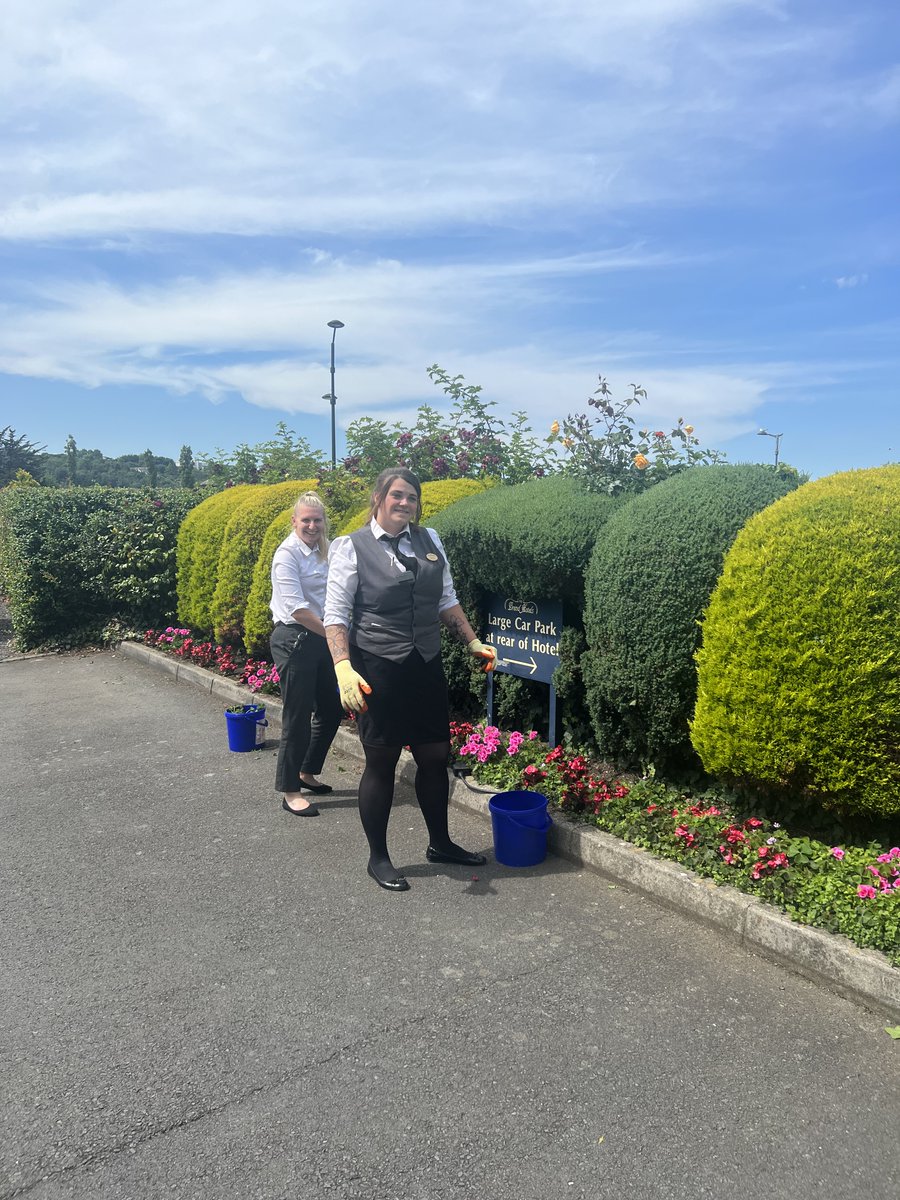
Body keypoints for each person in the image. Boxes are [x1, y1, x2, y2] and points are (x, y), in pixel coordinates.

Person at [324, 467, 497, 891]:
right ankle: (379, 858)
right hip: (378, 667)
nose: (405, 503)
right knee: (381, 762)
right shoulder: (350, 547)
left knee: (435, 756)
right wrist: (342, 667)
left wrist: (472, 641)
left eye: (412, 497)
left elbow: (446, 598)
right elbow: (335, 615)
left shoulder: (430, 540)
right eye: (397, 495)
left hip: (425, 663)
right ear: (379, 498)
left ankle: (440, 843)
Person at [269, 492, 344, 817]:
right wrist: (337, 635)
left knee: (331, 709)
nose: (313, 525)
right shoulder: (287, 555)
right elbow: (298, 610)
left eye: (317, 520)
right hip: (295, 640)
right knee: (296, 717)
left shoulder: (324, 550)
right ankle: (290, 790)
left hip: (322, 637)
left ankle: (307, 770)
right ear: (294, 521)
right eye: (306, 520)